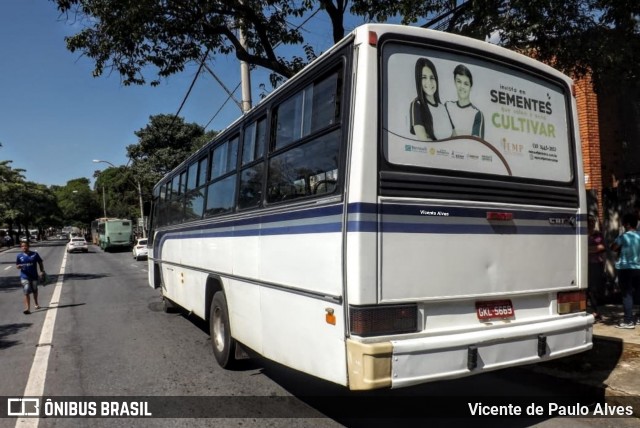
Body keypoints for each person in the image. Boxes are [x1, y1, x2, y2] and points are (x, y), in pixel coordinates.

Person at [409, 58, 453, 141]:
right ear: (419, 80)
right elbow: (423, 140)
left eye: (432, 77)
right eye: (424, 77)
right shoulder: (417, 104)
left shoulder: (443, 107)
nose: (429, 82)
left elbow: (453, 136)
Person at [611, 212, 640, 329]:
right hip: (638, 268)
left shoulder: (623, 237)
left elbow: (613, 247)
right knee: (638, 293)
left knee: (627, 295)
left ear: (627, 225)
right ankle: (637, 318)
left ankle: (628, 321)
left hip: (625, 269)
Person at [445, 64, 485, 138]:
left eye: (466, 84)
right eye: (459, 81)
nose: (462, 87)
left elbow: (476, 145)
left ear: (470, 87)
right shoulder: (447, 106)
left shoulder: (477, 114)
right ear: (455, 82)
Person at [16, 241, 45, 314]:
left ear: (28, 246)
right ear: (21, 247)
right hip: (24, 276)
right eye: (22, 246)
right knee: (26, 290)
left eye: (25, 246)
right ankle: (27, 308)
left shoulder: (35, 254)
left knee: (35, 290)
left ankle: (36, 303)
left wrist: (42, 271)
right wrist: (18, 266)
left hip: (34, 276)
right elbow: (17, 265)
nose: (24, 247)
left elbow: (40, 262)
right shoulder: (19, 256)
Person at [587, 215, 606, 320]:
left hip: (596, 264)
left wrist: (586, 249)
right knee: (585, 288)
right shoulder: (581, 234)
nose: (591, 224)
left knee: (594, 288)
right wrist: (594, 248)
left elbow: (602, 247)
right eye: (589, 222)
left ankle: (595, 311)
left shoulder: (598, 235)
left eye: (592, 222)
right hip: (584, 264)